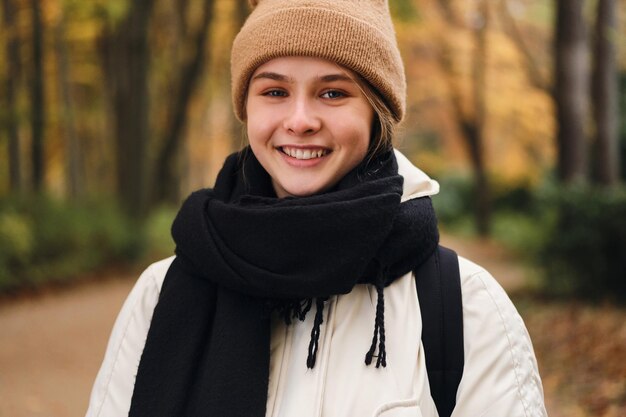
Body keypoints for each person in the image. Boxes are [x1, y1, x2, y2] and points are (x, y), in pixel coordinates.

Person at [86, 1, 547, 416]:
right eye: (274, 92)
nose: (300, 120)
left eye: (333, 93)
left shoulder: (465, 308)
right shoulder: (159, 294)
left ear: (376, 111)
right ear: (246, 108)